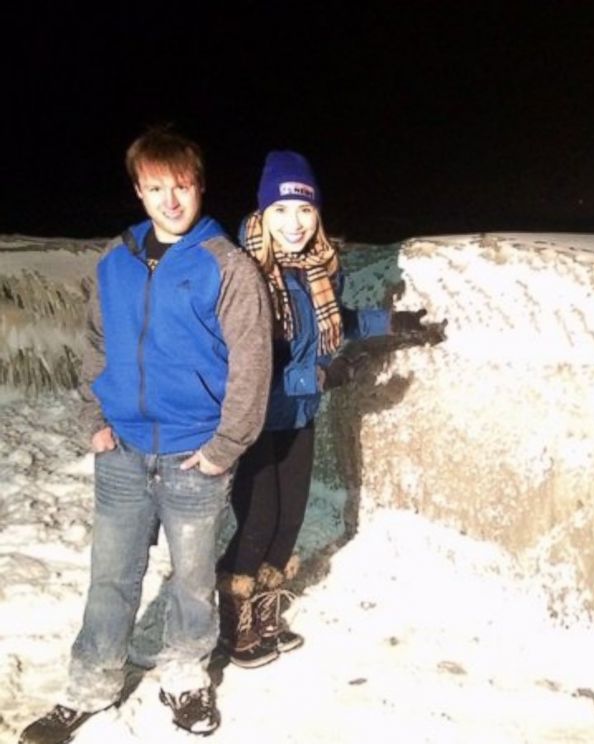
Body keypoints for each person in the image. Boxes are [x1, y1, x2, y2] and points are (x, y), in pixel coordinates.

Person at [20, 127, 273, 743]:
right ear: (138, 191)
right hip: (123, 452)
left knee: (191, 581)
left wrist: (223, 448)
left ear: (199, 187)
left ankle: (184, 677)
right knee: (110, 575)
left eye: (181, 187)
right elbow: (98, 345)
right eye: (155, 188)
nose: (170, 200)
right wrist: (95, 422)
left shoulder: (227, 267)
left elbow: (253, 362)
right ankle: (90, 686)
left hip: (195, 454)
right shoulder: (117, 260)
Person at [216, 150, 444, 668]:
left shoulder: (317, 270)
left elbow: (334, 321)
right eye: (281, 211)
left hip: (299, 413)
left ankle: (267, 612)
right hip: (254, 420)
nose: (293, 224)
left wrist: (394, 322)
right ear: (262, 214)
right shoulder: (245, 274)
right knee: (258, 520)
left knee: (289, 518)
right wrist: (318, 373)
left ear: (316, 214)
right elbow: (247, 361)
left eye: (303, 211)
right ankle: (234, 621)